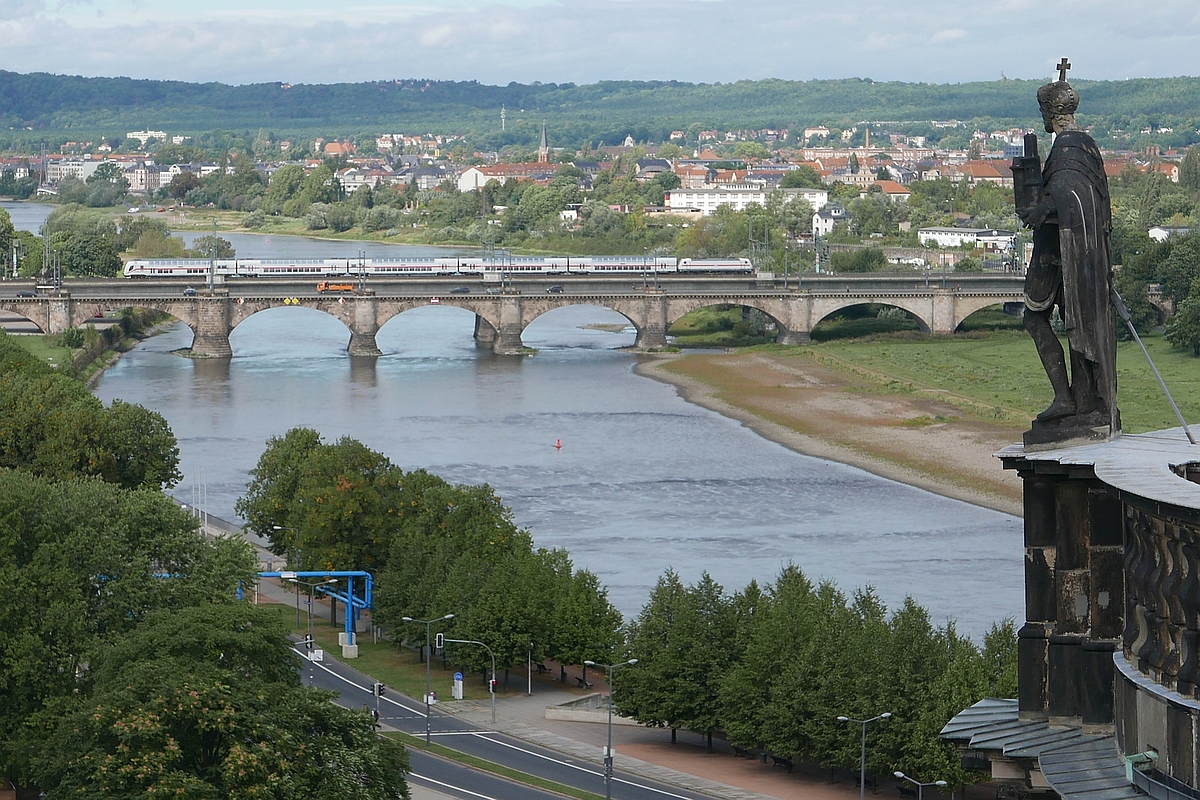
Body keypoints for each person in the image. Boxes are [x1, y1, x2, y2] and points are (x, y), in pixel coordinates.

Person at [1018, 78, 1119, 434]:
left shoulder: (1068, 147)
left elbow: (1068, 193)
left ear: (1050, 112)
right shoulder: (1086, 145)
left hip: (1069, 255)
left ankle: (1070, 399)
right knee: (1075, 320)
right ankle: (1082, 399)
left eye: (1043, 111)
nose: (1043, 117)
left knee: (1039, 319)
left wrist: (1040, 209)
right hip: (1077, 252)